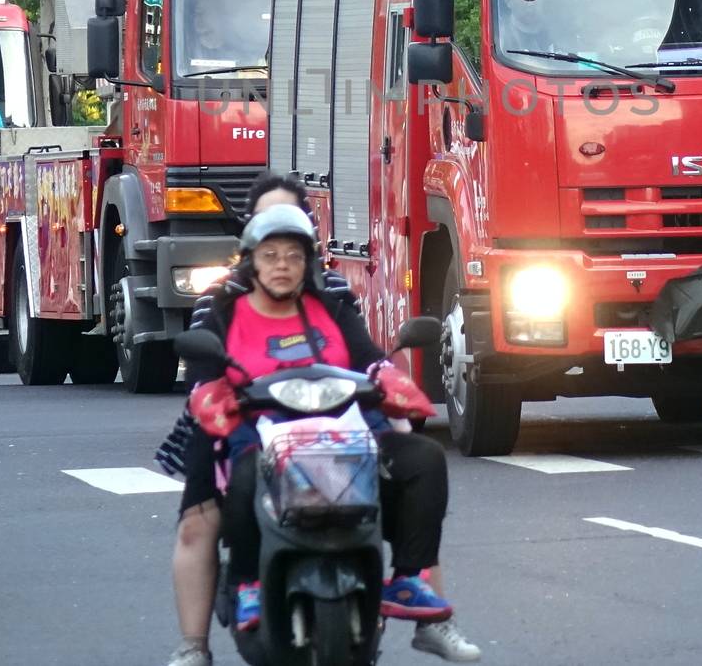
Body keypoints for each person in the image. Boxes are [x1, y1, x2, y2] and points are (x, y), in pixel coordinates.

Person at [160, 176, 481, 666]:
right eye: (270, 252)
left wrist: (395, 386)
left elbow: (371, 359)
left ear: (309, 250)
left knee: (422, 461)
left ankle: (417, 591)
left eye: (293, 251)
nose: (282, 263)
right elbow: (202, 378)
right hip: (255, 436)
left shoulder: (332, 300)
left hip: (340, 436)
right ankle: (209, 627)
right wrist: (212, 397)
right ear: (251, 251)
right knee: (222, 494)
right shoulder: (222, 307)